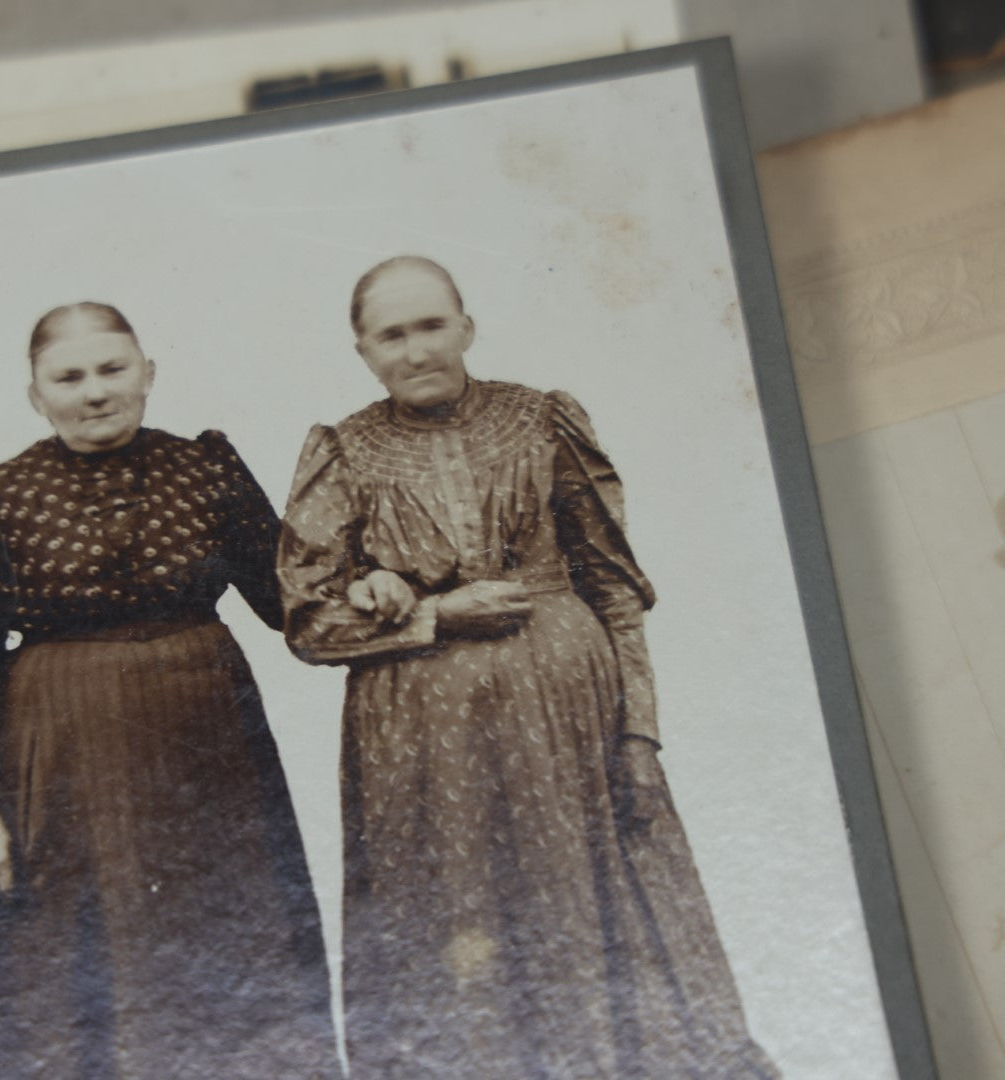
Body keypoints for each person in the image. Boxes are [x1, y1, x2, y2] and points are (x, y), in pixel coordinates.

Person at [278, 256, 779, 1078]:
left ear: (466, 327)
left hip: (568, 726)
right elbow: (307, 623)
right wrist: (434, 613)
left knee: (597, 918)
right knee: (453, 936)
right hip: (425, 754)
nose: (415, 350)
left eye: (431, 325)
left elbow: (613, 588)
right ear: (362, 350)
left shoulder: (539, 420)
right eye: (391, 335)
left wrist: (640, 737)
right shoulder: (346, 451)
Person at [0, 302, 337, 1079]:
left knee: (232, 956)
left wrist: (389, 590)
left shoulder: (204, 467)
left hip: (211, 761)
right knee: (72, 972)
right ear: (35, 394)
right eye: (68, 377)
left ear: (148, 373)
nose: (93, 391)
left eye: (112, 369)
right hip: (65, 768)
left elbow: (294, 600)